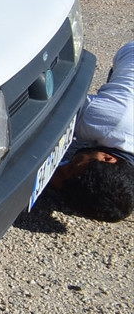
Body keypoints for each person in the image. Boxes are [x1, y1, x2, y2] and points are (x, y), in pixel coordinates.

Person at [50, 41, 134, 222]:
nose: (62, 168)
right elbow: (53, 107)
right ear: (107, 158)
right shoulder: (110, 124)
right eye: (71, 166)